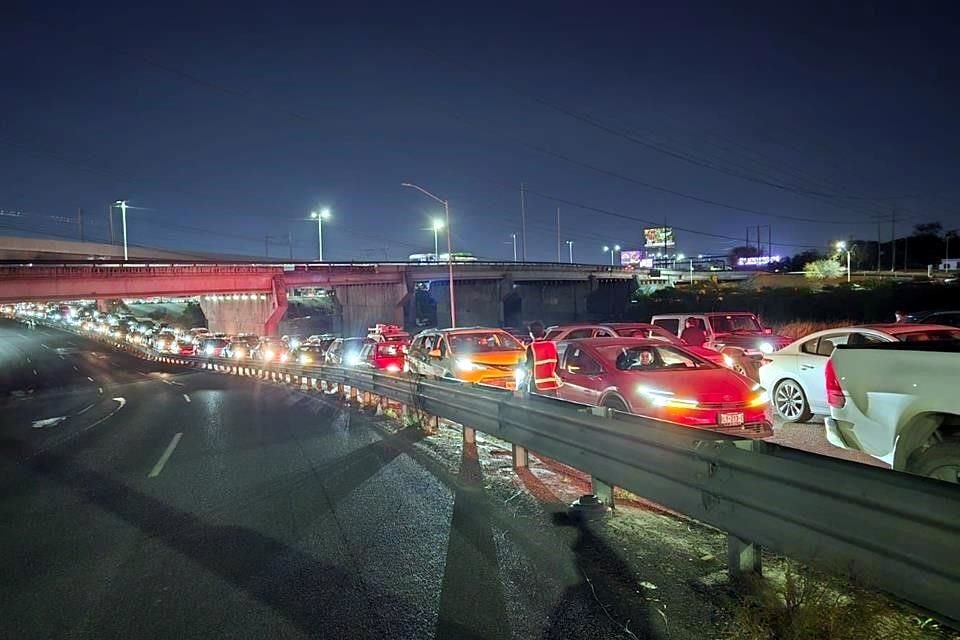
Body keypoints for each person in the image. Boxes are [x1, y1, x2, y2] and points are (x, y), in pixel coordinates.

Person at [521, 321, 560, 395]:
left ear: (531, 334)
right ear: (543, 332)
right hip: (551, 385)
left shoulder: (532, 347)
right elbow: (557, 363)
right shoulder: (551, 345)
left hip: (537, 385)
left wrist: (522, 365)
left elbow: (529, 365)